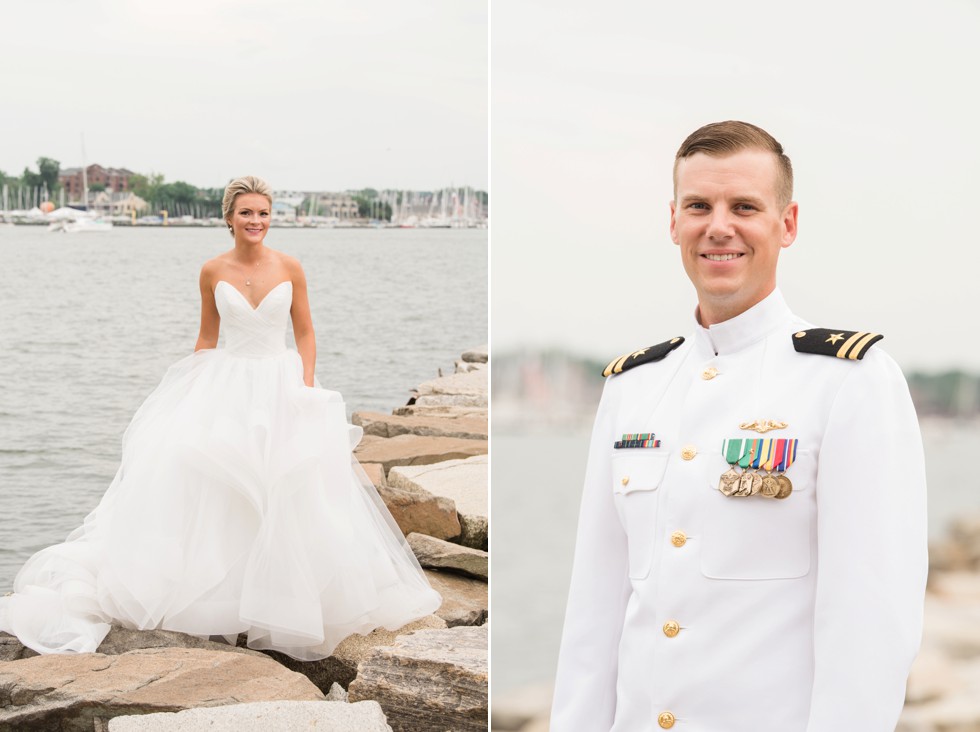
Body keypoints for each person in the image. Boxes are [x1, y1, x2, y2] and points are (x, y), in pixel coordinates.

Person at [551, 122, 927, 731]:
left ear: (788, 223)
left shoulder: (849, 382)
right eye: (699, 206)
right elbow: (593, 611)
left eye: (744, 207)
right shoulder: (633, 387)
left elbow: (871, 619)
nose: (718, 226)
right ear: (673, 221)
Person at [0, 175, 441, 660]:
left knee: (286, 488)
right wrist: (186, 391)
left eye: (264, 213)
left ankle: (285, 600)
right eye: (247, 213)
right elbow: (207, 337)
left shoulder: (290, 266)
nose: (257, 222)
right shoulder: (212, 270)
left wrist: (306, 386)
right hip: (229, 384)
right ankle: (222, 600)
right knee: (219, 490)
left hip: (281, 383)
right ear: (229, 217)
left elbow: (307, 333)